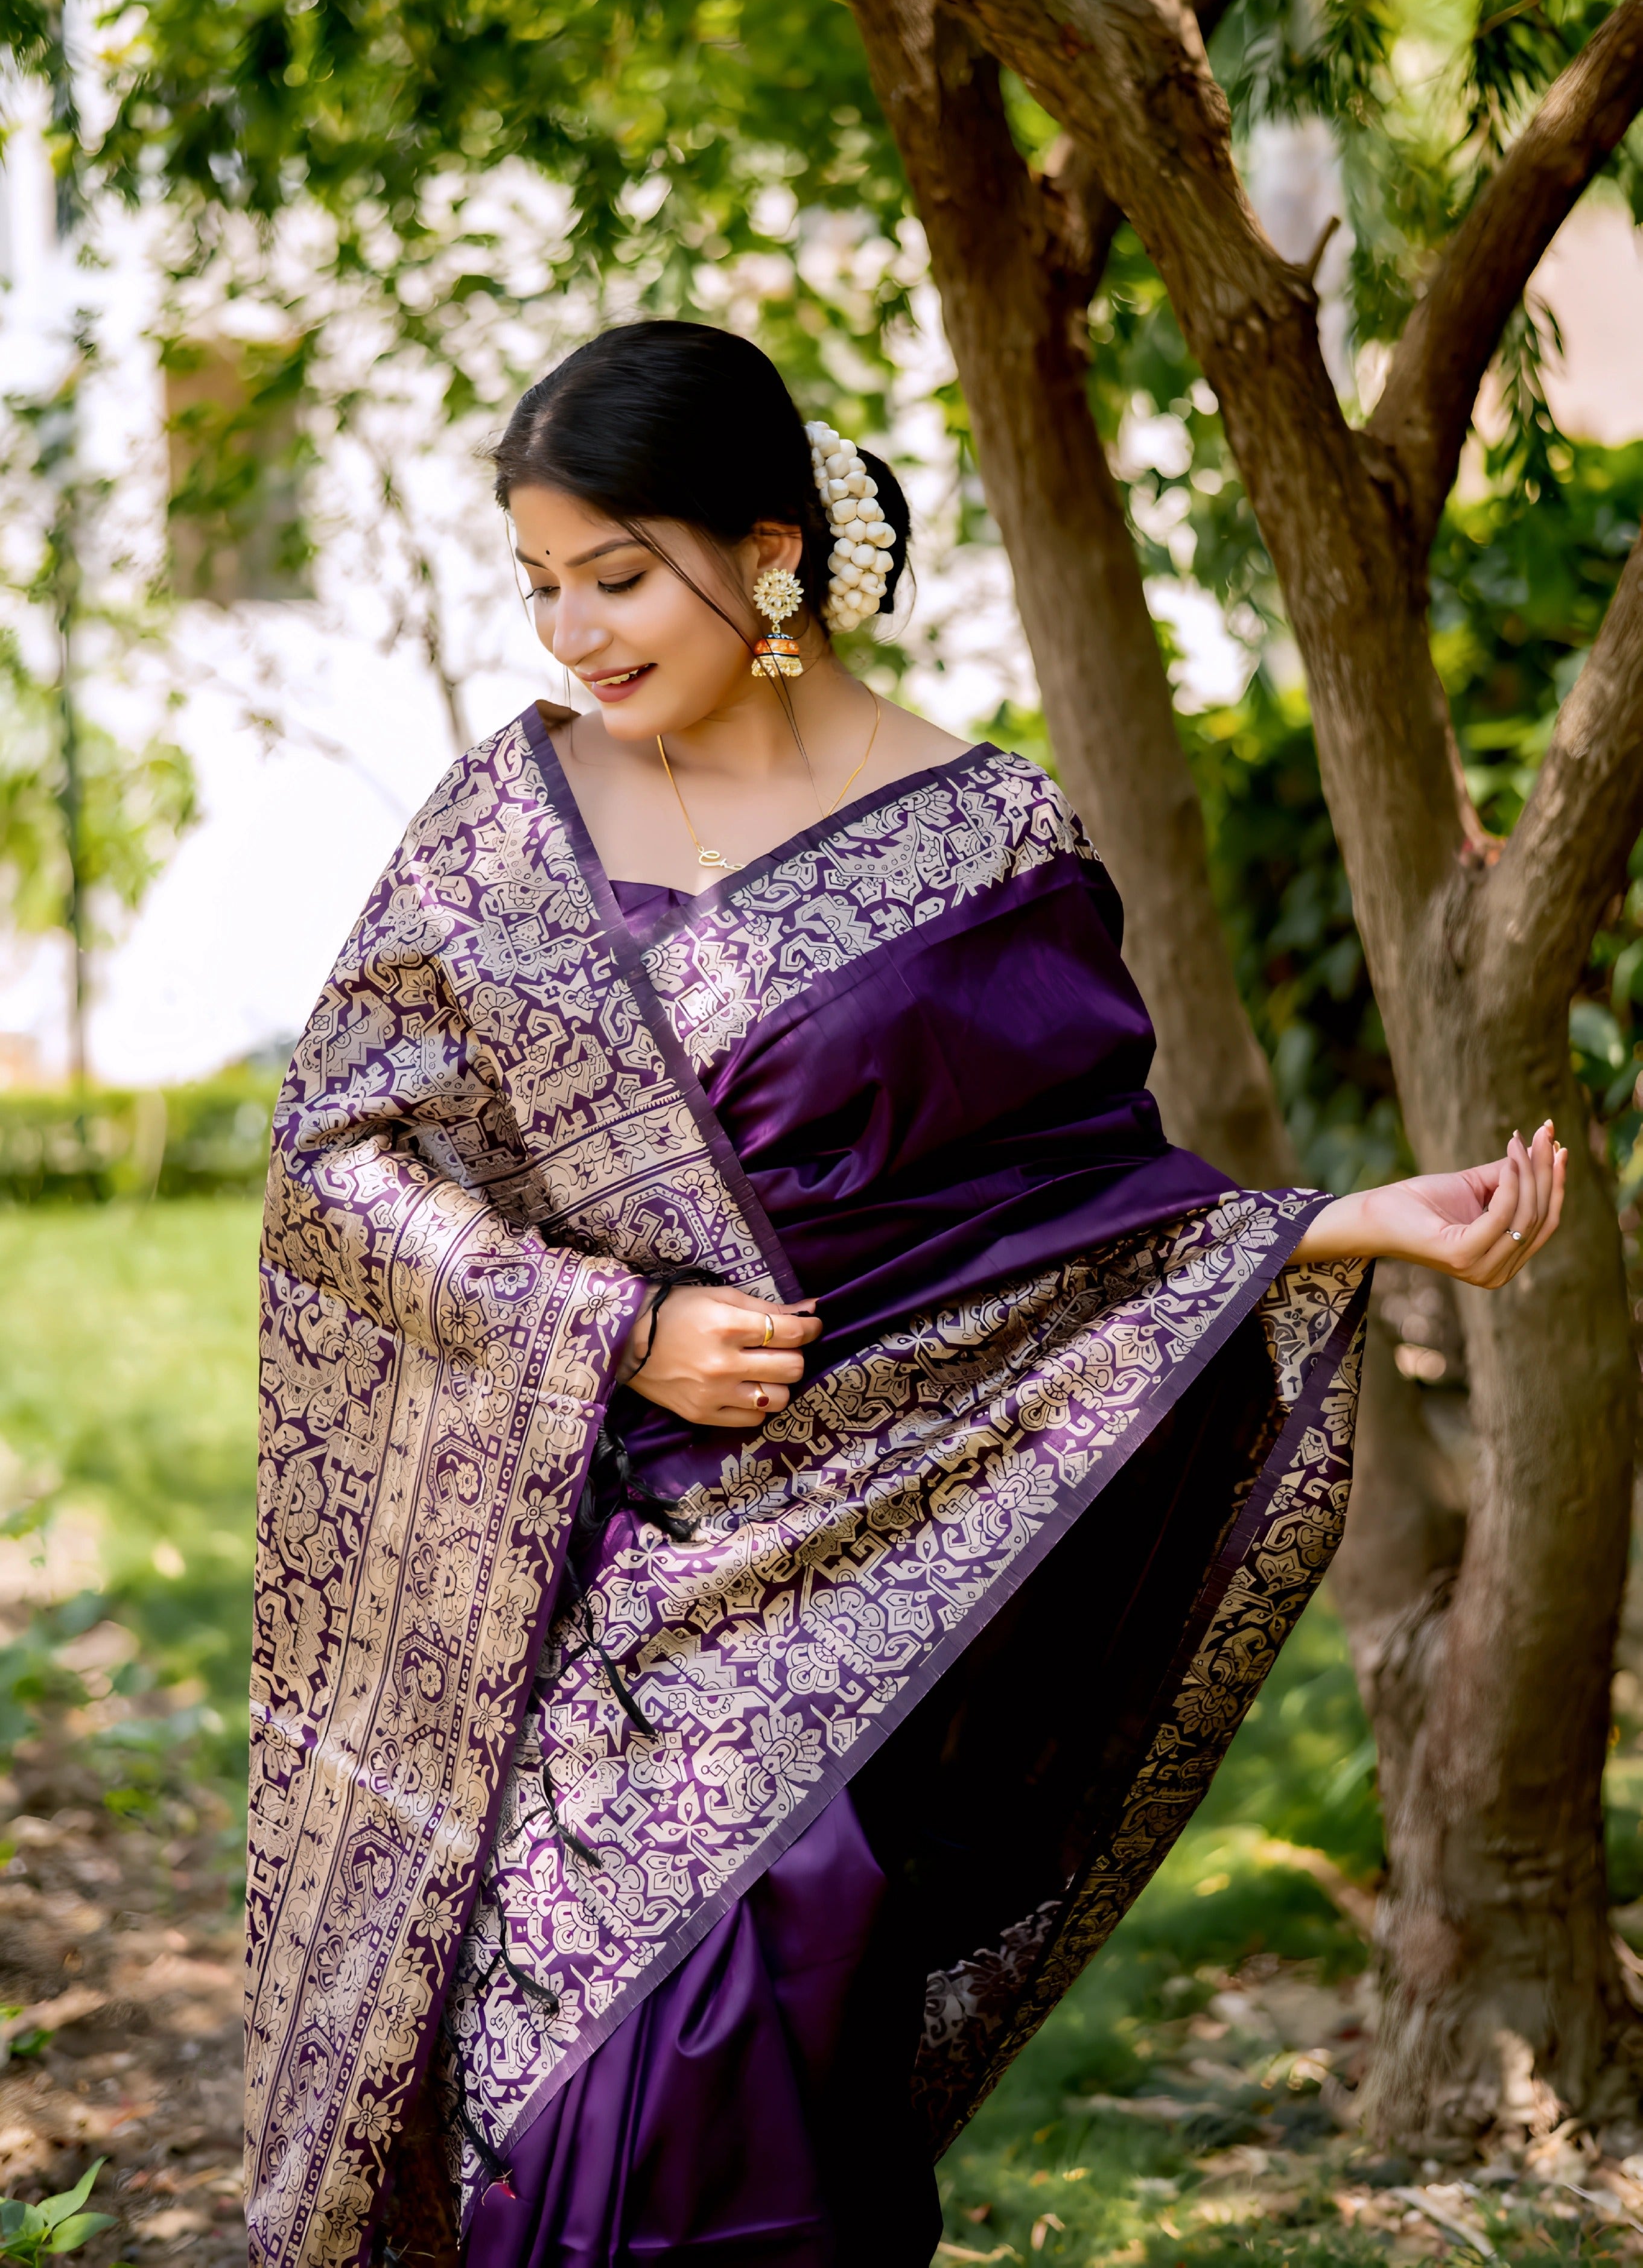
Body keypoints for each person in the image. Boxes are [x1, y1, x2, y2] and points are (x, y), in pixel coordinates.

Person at [244, 322, 1564, 2268]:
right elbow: (339, 1162)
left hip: (883, 1566)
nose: (571, 637)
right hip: (595, 1566)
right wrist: (614, 1331)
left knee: (767, 2054)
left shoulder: (984, 839)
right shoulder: (499, 831)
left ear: (768, 555)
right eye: (540, 586)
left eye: (615, 578)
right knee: (567, 2082)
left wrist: (1333, 1231)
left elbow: (1054, 1213)